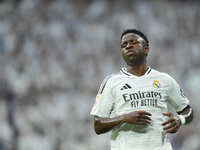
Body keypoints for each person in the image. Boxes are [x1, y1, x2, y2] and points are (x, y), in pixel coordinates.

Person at [90, 29, 193, 150]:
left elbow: (188, 111)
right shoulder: (112, 82)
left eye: (133, 42)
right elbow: (98, 125)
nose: (128, 46)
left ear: (146, 49)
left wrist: (180, 119)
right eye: (124, 45)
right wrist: (124, 118)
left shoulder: (165, 79)